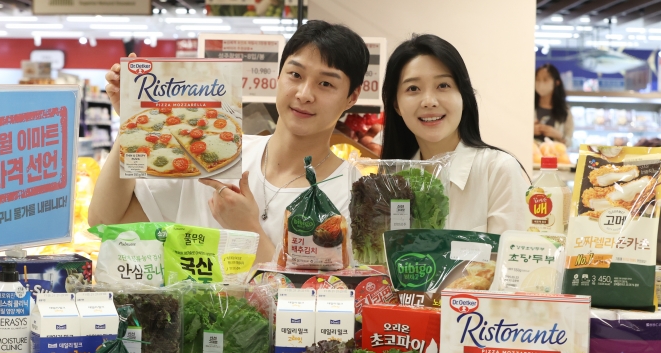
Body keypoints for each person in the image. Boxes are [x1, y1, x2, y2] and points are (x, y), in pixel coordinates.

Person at [89, 21, 370, 264]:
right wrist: (131, 125)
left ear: (352, 97)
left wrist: (248, 229)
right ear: (278, 76)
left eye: (326, 84)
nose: (304, 94)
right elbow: (106, 221)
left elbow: (325, 296)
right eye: (295, 75)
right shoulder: (214, 156)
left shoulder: (356, 195)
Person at [381, 34, 530, 234]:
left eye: (443, 85)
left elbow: (514, 253)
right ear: (396, 105)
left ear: (463, 96)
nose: (429, 101)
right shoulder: (392, 180)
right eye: (413, 88)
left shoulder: (498, 170)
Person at [534, 63, 573, 146]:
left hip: (554, 153)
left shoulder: (565, 110)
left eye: (545, 79)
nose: (540, 83)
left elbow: (569, 142)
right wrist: (530, 130)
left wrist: (557, 135)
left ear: (557, 82)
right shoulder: (528, 106)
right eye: (537, 79)